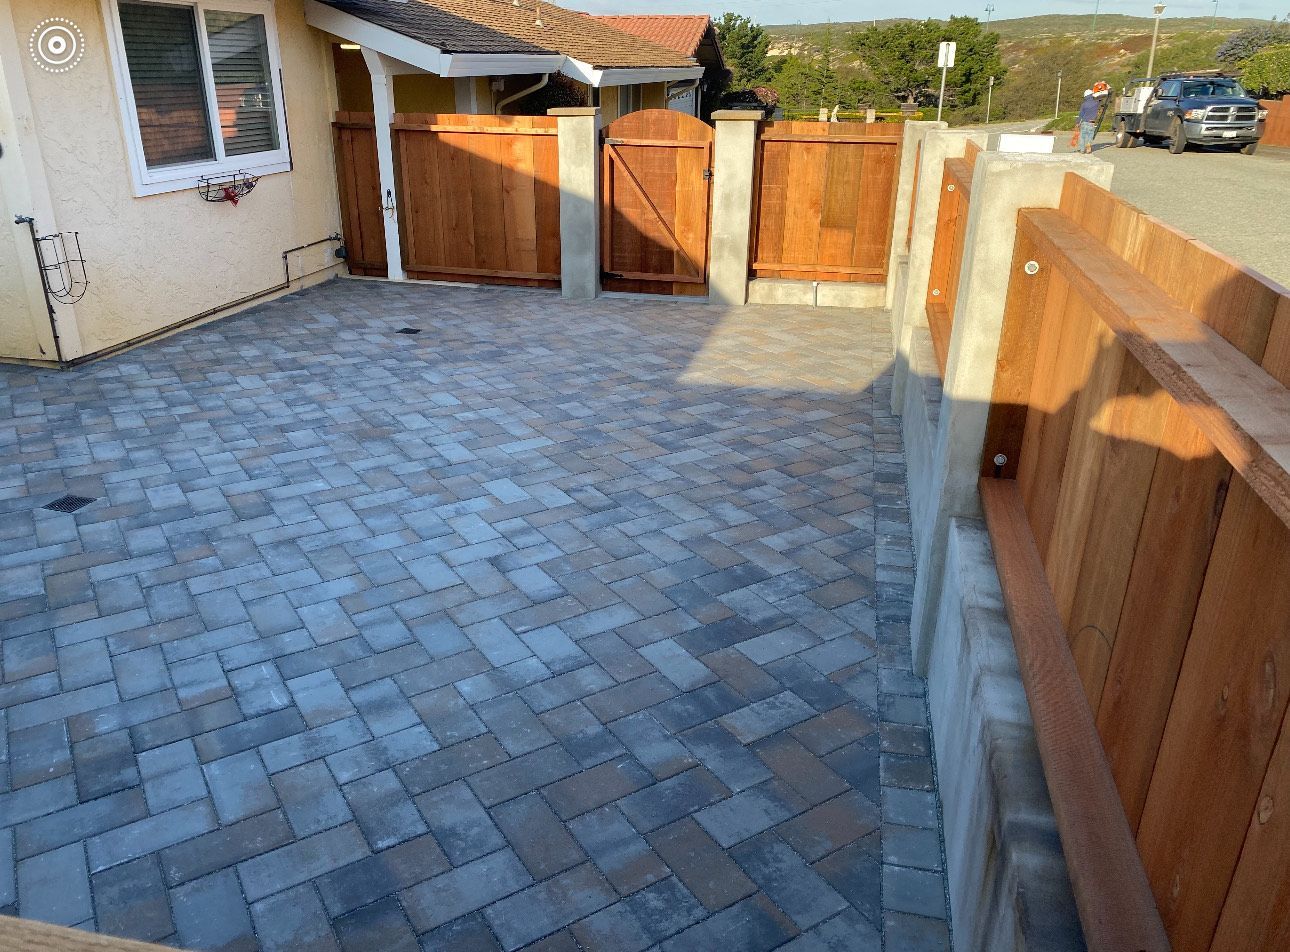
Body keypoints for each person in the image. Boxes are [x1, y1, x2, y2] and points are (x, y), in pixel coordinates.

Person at [1077, 88, 1101, 154]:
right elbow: (1100, 98)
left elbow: (1081, 114)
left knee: (1082, 137)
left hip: (1084, 122)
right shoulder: (1096, 103)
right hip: (1092, 123)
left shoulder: (1084, 104)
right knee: (1090, 136)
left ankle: (1082, 150)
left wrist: (1077, 123)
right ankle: (1088, 147)